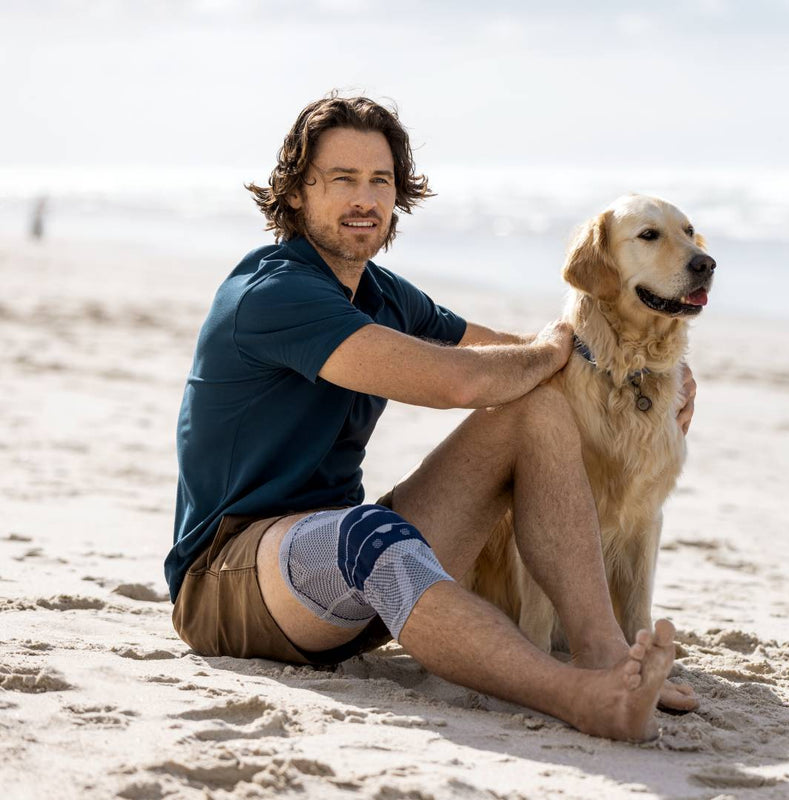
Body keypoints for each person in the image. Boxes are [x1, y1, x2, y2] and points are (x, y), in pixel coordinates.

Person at [166, 93, 699, 743]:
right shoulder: (273, 292)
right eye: (342, 180)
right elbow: (462, 379)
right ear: (298, 192)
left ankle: (603, 653)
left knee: (538, 407)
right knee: (374, 536)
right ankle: (582, 698)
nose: (365, 198)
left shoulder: (380, 293)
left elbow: (514, 354)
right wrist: (557, 353)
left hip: (351, 580)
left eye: (380, 181)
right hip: (234, 577)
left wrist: (653, 376)